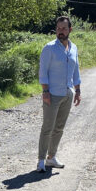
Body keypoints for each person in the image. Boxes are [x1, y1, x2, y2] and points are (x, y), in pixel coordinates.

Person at [37, 16, 81, 172]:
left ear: (70, 30)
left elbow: (76, 70)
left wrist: (78, 90)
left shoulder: (73, 48)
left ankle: (51, 157)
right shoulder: (49, 48)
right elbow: (43, 71)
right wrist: (45, 91)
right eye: (58, 28)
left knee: (59, 128)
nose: (60, 31)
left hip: (68, 93)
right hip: (52, 93)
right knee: (47, 127)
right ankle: (41, 160)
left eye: (64, 28)